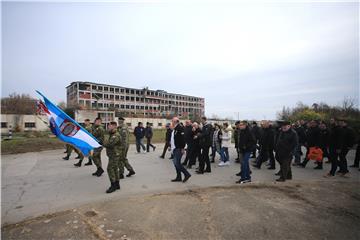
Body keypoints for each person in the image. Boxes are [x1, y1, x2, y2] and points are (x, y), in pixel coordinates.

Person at [169, 117, 191, 183]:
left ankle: (187, 174)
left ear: (175, 121)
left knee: (177, 163)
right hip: (175, 148)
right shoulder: (175, 128)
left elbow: (183, 139)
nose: (171, 122)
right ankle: (179, 177)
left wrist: (182, 148)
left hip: (179, 148)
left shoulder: (180, 128)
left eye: (172, 121)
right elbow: (173, 138)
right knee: (175, 163)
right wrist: (171, 146)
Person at [103, 121, 122, 193]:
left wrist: (103, 142)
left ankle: (113, 185)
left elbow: (110, 144)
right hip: (113, 154)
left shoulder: (115, 135)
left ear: (114, 126)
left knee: (110, 169)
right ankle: (117, 184)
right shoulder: (112, 134)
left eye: (109, 126)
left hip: (115, 155)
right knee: (114, 169)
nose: (108, 127)